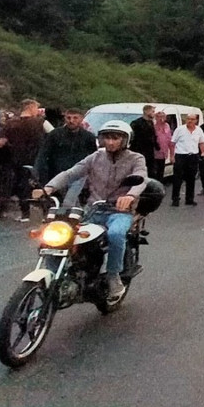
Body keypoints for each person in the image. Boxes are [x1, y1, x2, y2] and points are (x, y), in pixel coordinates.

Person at [42, 120, 147, 301]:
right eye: (107, 138)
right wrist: (48, 188)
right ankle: (54, 275)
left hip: (119, 212)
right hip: (93, 211)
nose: (111, 142)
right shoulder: (95, 157)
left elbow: (142, 179)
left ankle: (113, 276)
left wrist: (130, 196)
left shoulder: (136, 158)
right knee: (59, 234)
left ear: (125, 140)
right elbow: (71, 173)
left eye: (116, 138)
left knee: (115, 234)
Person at [34, 108, 97, 206]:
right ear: (65, 119)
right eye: (69, 118)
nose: (71, 121)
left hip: (78, 175)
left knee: (70, 200)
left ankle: (70, 216)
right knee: (56, 201)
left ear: (81, 119)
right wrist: (38, 171)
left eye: (75, 118)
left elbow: (94, 158)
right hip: (57, 173)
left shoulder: (88, 137)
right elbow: (43, 153)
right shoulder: (55, 135)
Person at [3, 98, 47, 223]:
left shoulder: (11, 123)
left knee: (22, 185)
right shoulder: (40, 122)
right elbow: (53, 134)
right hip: (36, 158)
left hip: (16, 158)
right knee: (40, 184)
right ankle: (45, 213)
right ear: (31, 107)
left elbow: (4, 140)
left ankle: (25, 213)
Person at [169, 113, 204, 206]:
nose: (190, 121)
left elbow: (202, 142)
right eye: (188, 119)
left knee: (191, 178)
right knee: (178, 178)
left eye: (192, 119)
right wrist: (172, 156)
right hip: (181, 155)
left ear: (196, 121)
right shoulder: (180, 130)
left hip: (193, 156)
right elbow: (172, 143)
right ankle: (175, 199)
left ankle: (189, 199)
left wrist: (202, 152)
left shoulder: (198, 130)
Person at [129, 105, 158, 179]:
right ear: (146, 111)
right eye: (152, 111)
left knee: (150, 173)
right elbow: (132, 138)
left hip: (150, 153)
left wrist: (156, 146)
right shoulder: (136, 123)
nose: (154, 113)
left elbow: (153, 136)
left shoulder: (150, 123)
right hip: (139, 151)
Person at [152, 110, 172, 180]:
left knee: (161, 172)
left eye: (163, 117)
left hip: (163, 153)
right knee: (154, 172)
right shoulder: (153, 126)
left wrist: (172, 154)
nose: (161, 119)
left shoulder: (167, 126)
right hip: (154, 153)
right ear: (155, 118)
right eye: (159, 117)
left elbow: (170, 140)